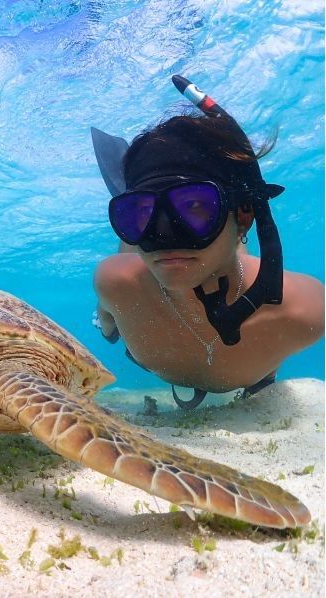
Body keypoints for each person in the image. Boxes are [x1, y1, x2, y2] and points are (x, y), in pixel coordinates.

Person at [92, 76, 324, 409]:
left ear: (245, 215)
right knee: (110, 315)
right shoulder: (115, 284)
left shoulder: (304, 311)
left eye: (195, 206)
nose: (165, 238)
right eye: (139, 212)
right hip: (134, 302)